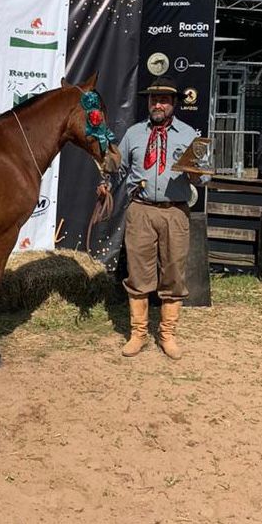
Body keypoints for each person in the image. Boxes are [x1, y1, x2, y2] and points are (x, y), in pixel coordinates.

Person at [104, 76, 202, 360]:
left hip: (175, 212)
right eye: (153, 99)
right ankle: (138, 334)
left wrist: (197, 173)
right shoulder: (134, 133)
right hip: (140, 211)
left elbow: (204, 177)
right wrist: (104, 162)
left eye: (164, 100)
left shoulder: (189, 136)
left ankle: (168, 335)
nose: (157, 104)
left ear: (174, 104)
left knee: (173, 273)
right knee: (138, 272)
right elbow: (117, 169)